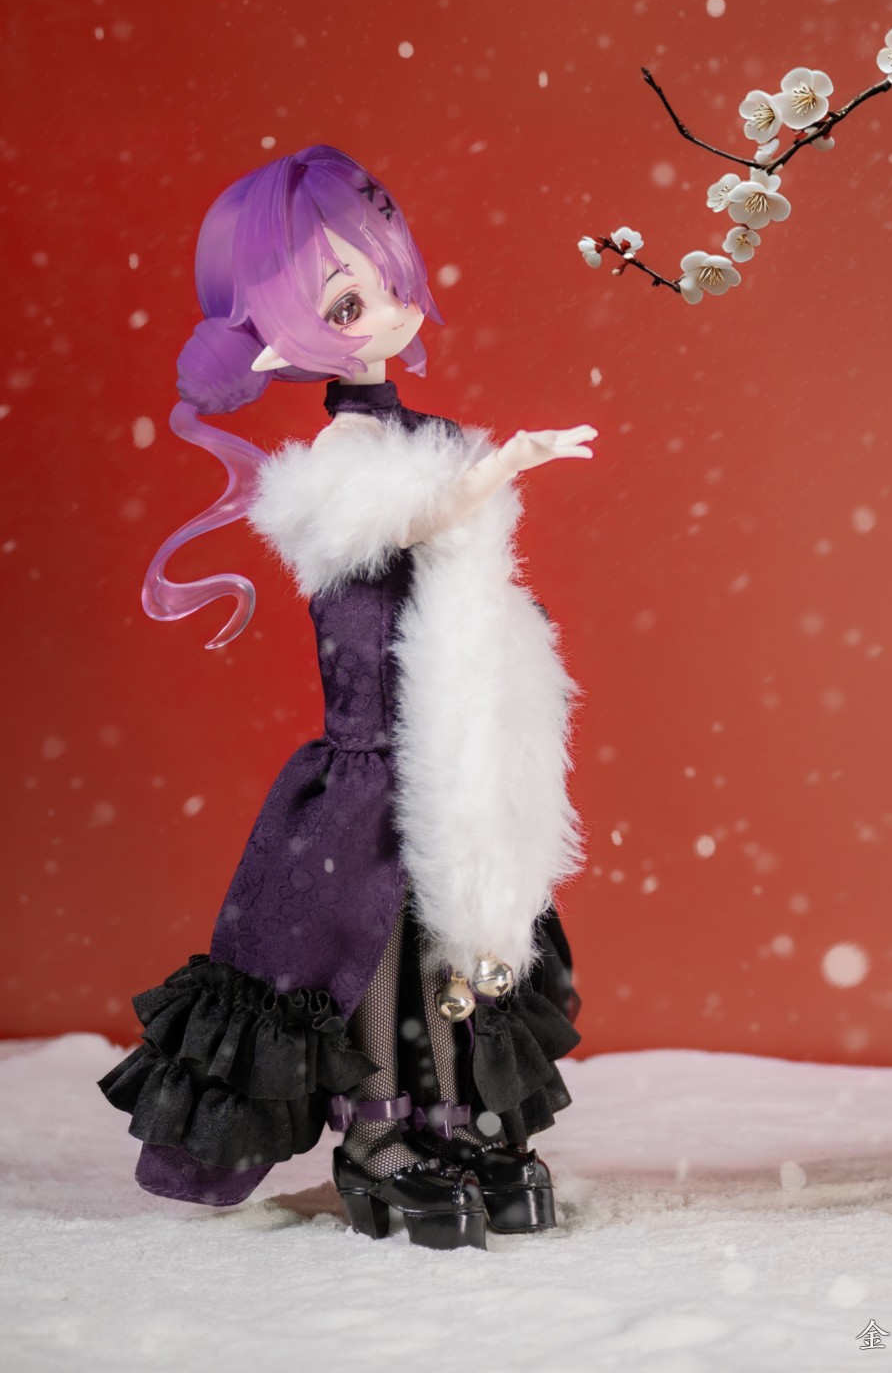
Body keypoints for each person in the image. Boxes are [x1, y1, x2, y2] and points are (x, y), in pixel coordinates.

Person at [99, 145, 596, 1250]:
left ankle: (455, 1123)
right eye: (342, 301)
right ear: (280, 344)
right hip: (371, 755)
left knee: (451, 945)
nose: (384, 307)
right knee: (367, 950)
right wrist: (497, 470)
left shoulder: (427, 435)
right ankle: (379, 1143)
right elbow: (401, 520)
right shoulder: (346, 448)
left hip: (452, 742)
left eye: (384, 276)